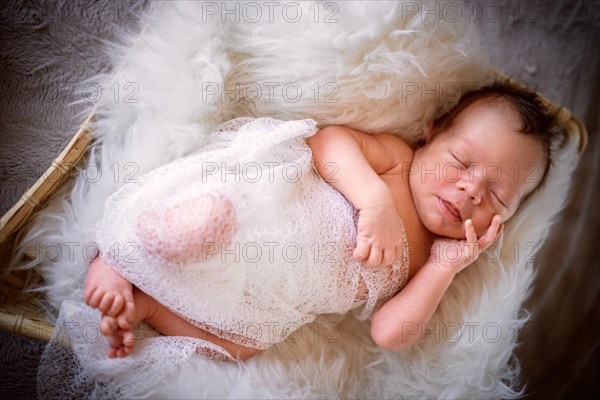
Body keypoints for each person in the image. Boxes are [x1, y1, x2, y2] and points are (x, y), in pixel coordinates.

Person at [83, 81, 559, 361]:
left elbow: (391, 335)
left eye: (497, 197)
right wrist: (374, 201)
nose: (471, 191)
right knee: (213, 215)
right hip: (260, 219)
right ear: (430, 134)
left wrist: (442, 268)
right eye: (461, 161)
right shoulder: (396, 161)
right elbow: (328, 143)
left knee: (241, 348)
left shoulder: (427, 265)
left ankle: (146, 304)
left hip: (270, 295)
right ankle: (123, 254)